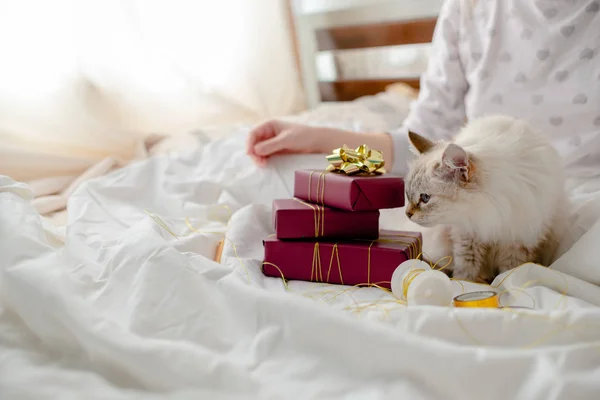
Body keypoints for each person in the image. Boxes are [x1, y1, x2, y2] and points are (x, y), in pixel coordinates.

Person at [246, 0, 600, 183]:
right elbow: (417, 148)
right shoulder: (469, 8)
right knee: (289, 171)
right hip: (484, 208)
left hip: (584, 211)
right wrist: (325, 142)